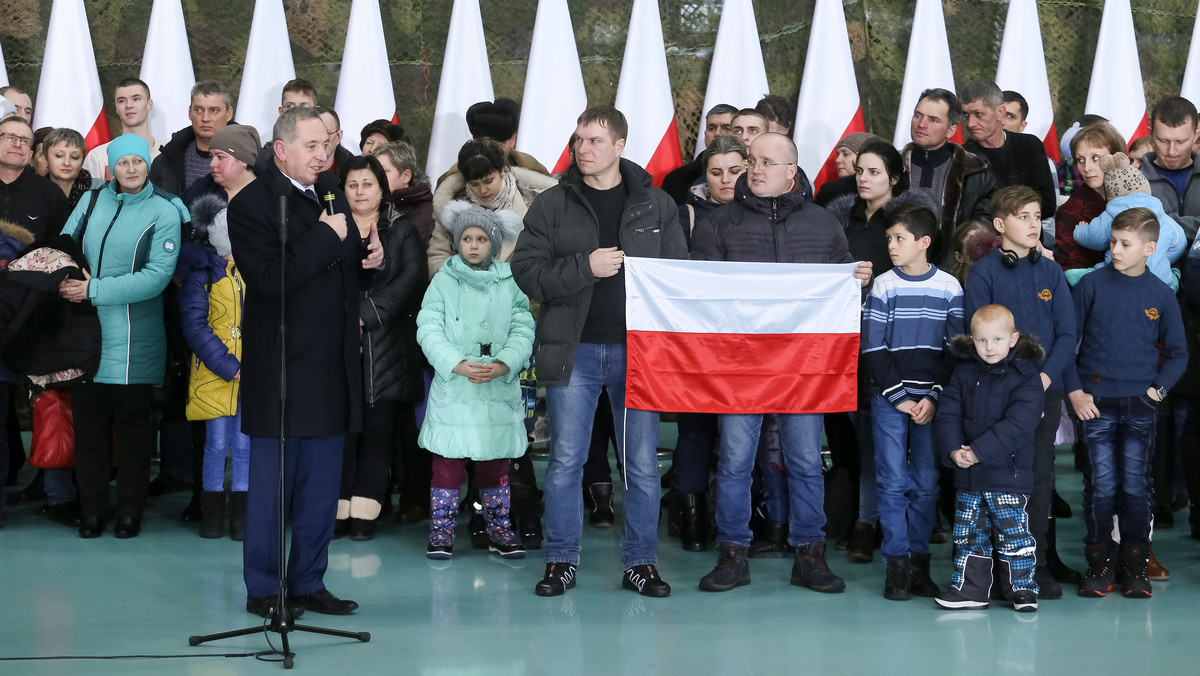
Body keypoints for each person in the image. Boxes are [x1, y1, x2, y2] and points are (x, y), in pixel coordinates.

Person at [511, 105, 688, 598]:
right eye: (578, 140)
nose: (583, 149)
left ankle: (641, 563)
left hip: (639, 354)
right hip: (576, 350)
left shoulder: (656, 205)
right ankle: (560, 560)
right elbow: (527, 271)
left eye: (594, 140)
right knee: (566, 461)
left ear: (620, 146)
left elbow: (680, 277)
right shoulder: (552, 204)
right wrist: (585, 266)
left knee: (641, 465)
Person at [690, 132, 871, 593]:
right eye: (753, 160)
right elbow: (700, 293)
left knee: (807, 460)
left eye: (767, 162)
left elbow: (841, 280)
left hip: (802, 366)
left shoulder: (823, 224)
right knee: (733, 461)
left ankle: (809, 553)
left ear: (792, 171)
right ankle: (733, 552)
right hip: (740, 366)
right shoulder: (718, 225)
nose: (756, 169)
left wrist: (856, 280)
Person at [227, 106, 383, 618]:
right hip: (283, 371)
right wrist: (329, 236)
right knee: (273, 492)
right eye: (312, 146)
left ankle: (308, 581)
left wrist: (365, 256)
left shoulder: (329, 194)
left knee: (321, 491)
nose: (325, 154)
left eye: (328, 144)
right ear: (281, 150)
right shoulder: (252, 204)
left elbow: (334, 274)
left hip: (331, 367)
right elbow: (270, 280)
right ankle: (265, 590)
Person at [59, 134, 186, 539]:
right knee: (89, 429)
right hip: (87, 337)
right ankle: (91, 510)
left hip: (136, 340)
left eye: (138, 161)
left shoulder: (165, 211)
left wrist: (92, 289)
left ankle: (130, 511)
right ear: (110, 167)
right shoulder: (92, 200)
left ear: (147, 164)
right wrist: (63, 278)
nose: (131, 168)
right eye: (122, 162)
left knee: (133, 433)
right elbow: (64, 247)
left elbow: (156, 278)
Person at [826, 140, 939, 562]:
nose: (863, 178)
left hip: (901, 343)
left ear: (894, 178)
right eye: (859, 171)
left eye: (874, 171)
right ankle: (865, 517)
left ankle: (888, 524)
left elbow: (924, 275)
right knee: (863, 436)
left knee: (903, 440)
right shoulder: (841, 218)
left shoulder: (907, 221)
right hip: (847, 340)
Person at [1066, 207, 1187, 599]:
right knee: (1101, 487)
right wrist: (1076, 391)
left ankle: (1136, 567)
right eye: (1113, 242)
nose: (1115, 250)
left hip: (1141, 405)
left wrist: (1156, 392)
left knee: (1136, 487)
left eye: (1124, 244)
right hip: (1095, 403)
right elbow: (1066, 343)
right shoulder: (1090, 286)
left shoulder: (1161, 294)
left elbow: (1179, 354)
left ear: (1150, 248)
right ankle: (1100, 566)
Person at [963, 184, 1078, 598]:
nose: (1034, 224)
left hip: (1043, 390)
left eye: (1036, 216)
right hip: (996, 395)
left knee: (1039, 476)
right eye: (1023, 216)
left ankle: (1038, 562)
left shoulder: (1050, 272)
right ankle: (997, 564)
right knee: (998, 476)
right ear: (1000, 225)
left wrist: (1044, 380)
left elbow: (1067, 333)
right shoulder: (986, 273)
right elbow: (975, 335)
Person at [418, 202, 534, 559]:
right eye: (466, 238)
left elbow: (523, 327)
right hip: (455, 388)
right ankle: (442, 531)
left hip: (496, 387)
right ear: (457, 242)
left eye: (482, 239)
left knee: (496, 463)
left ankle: (500, 529)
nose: (473, 245)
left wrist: (505, 363)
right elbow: (428, 327)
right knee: (448, 465)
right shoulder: (443, 281)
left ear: (494, 244)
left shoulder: (510, 282)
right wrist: (455, 363)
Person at [861, 203, 964, 600]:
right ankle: (896, 565)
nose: (891, 245)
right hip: (891, 401)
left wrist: (933, 397)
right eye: (888, 238)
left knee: (925, 483)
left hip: (931, 402)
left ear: (924, 242)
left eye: (899, 238)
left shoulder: (950, 288)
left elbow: (954, 350)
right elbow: (873, 349)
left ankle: (919, 564)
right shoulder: (885, 285)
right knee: (892, 482)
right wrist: (901, 397)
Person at [334, 155, 428, 541]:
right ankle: (336, 510)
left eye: (367, 184)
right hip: (335, 346)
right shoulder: (330, 227)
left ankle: (365, 511)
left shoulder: (401, 229)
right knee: (340, 432)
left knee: (377, 432)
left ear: (381, 188)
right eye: (353, 185)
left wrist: (365, 315)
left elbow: (412, 280)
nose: (359, 192)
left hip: (386, 347)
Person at [933, 304, 1043, 612]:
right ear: (972, 339)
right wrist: (955, 450)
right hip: (968, 474)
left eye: (997, 339)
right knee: (968, 533)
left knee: (1013, 534)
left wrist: (978, 452)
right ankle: (971, 589)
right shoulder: (963, 371)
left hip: (1007, 475)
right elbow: (948, 414)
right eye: (982, 340)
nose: (989, 347)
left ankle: (1021, 589)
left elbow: (1019, 425)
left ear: (1013, 338)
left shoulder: (1026, 376)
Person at [180, 192, 249, 540]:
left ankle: (240, 519)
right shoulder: (203, 275)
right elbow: (195, 326)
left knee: (244, 444)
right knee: (217, 443)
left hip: (250, 376)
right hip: (213, 374)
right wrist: (228, 365)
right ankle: (211, 516)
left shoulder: (257, 273)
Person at [428, 139, 557, 276]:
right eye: (474, 184)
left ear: (502, 170)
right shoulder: (451, 207)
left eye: (488, 181)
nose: (483, 190)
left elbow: (556, 254)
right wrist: (466, 276)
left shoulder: (538, 200)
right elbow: (436, 258)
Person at [902, 88, 999, 264]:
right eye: (918, 115)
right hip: (894, 267)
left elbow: (985, 225)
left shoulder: (975, 171)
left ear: (951, 130)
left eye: (933, 120)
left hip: (953, 270)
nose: (922, 124)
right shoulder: (889, 166)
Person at [1070, 153, 1185, 288]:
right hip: (1160, 280)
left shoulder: (1111, 216)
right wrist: (1160, 258)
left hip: (1119, 279)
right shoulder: (1164, 217)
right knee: (1168, 279)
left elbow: (1095, 238)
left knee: (1079, 275)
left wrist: (1079, 231)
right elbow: (1179, 243)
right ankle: (1173, 282)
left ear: (1110, 193)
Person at [960, 81, 1057, 218]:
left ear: (1000, 112)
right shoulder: (962, 157)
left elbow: (1047, 205)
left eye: (978, 114)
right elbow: (964, 214)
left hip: (1028, 238)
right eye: (966, 115)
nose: (970, 123)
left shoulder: (1030, 146)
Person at [1054, 121, 1127, 271]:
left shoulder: (1139, 195)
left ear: (1117, 157)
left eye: (1095, 158)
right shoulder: (1069, 213)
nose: (1086, 168)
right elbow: (1073, 271)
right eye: (1080, 160)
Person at [435, 98, 549, 187]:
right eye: (486, 144)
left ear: (513, 140)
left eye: (500, 143)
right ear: (474, 142)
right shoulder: (452, 179)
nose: (493, 151)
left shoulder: (534, 169)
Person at [150, 80, 235, 198]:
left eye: (214, 110)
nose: (205, 118)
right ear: (190, 112)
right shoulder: (164, 162)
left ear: (229, 114)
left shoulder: (248, 161)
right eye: (199, 110)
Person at [1139, 97, 1200, 242]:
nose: (1171, 151)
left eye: (1180, 141)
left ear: (1196, 136)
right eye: (1163, 140)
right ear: (1150, 134)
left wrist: (1161, 221)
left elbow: (1151, 227)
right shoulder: (1135, 182)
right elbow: (1137, 230)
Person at [0, 116, 69, 242]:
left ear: (30, 154)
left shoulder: (51, 193)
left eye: (25, 141)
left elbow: (61, 247)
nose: (17, 144)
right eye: (9, 138)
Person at [660, 103, 738, 205]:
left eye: (726, 128)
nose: (717, 133)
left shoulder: (752, 176)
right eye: (712, 128)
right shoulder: (676, 179)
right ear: (705, 135)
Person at [83, 78, 159, 182]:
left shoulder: (167, 152)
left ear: (149, 104)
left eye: (136, 99)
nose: (129, 105)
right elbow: (91, 197)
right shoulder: (98, 156)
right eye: (122, 101)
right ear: (116, 108)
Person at [677, 134, 746, 245]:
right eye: (716, 173)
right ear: (705, 177)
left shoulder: (763, 210)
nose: (725, 179)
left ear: (747, 172)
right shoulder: (683, 216)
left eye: (734, 172)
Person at [373, 141, 435, 243]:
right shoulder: (372, 204)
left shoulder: (425, 212)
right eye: (374, 171)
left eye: (384, 171)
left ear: (406, 176)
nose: (376, 177)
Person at [814, 132, 886, 207]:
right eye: (838, 154)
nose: (837, 160)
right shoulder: (829, 192)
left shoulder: (889, 193)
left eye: (845, 154)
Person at [42, 128, 92, 208]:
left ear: (82, 160)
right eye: (59, 155)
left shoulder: (99, 190)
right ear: (45, 159)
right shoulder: (33, 191)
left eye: (74, 157)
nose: (67, 163)